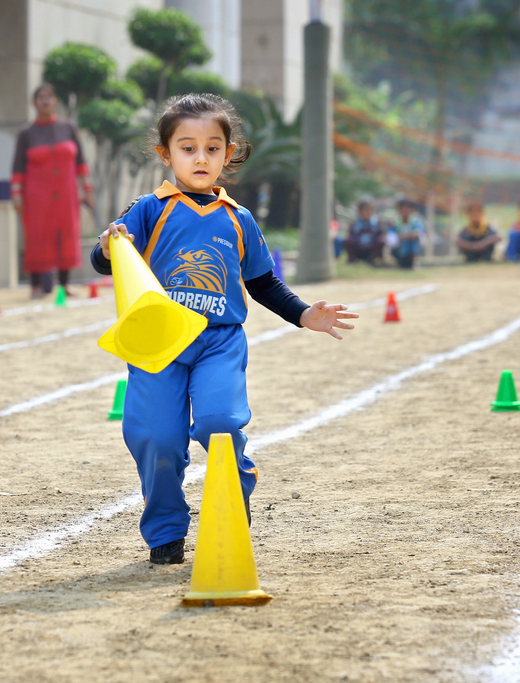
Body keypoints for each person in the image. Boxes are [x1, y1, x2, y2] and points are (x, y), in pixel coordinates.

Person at [90, 93, 358, 564]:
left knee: (218, 423)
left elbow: (262, 282)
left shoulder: (239, 218)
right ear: (166, 154)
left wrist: (302, 314)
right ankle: (166, 533)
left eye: (213, 148)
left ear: (228, 154)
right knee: (156, 438)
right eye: (187, 147)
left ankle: (233, 501)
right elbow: (105, 256)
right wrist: (110, 247)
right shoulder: (150, 209)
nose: (201, 157)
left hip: (219, 342)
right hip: (160, 343)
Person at [11, 83, 94, 299]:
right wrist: (16, 194)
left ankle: (64, 285)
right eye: (40, 97)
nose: (45, 101)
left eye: (49, 97)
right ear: (34, 103)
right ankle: (36, 286)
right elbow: (18, 167)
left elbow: (81, 162)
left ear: (55, 101)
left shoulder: (68, 128)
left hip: (67, 193)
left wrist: (87, 189)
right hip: (37, 195)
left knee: (67, 233)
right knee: (37, 235)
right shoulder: (26, 133)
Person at [387, 199, 425, 269]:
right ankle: (401, 261)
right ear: (399, 210)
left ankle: (412, 261)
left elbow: (419, 233)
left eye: (408, 210)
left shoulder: (415, 221)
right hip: (398, 249)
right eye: (403, 210)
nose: (406, 212)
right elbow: (391, 239)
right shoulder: (394, 223)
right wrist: (402, 237)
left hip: (412, 247)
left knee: (413, 241)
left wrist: (406, 236)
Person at [344, 200, 385, 264]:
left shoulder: (377, 223)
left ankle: (372, 258)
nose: (367, 213)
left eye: (369, 210)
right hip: (358, 248)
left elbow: (380, 235)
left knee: (382, 240)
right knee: (347, 240)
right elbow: (350, 235)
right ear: (360, 212)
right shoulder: (355, 223)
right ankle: (353, 258)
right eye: (365, 210)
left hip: (371, 248)